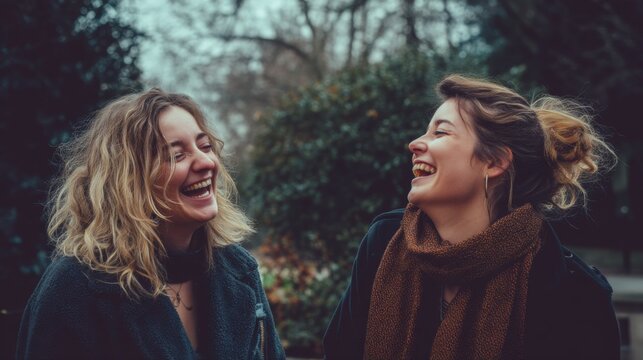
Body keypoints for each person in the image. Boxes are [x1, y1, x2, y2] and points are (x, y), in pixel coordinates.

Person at [324, 75, 621, 359]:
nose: (415, 143)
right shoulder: (384, 241)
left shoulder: (577, 296)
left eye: (440, 132)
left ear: (494, 162)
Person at [16, 88, 285, 359]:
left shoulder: (238, 268)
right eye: (176, 155)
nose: (206, 162)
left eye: (205, 147)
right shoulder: (74, 288)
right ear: (128, 181)